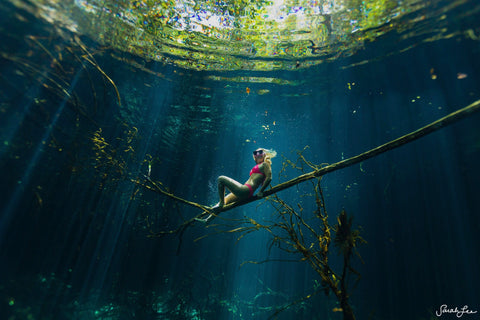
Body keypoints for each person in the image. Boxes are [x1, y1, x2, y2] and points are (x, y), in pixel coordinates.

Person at [196, 148, 277, 222]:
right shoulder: (258, 165)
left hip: (246, 190)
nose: (257, 154)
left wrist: (261, 192)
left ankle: (220, 203)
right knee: (224, 200)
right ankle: (207, 220)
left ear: (264, 154)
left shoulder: (265, 164)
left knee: (221, 179)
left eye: (260, 152)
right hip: (245, 191)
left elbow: (269, 178)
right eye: (255, 152)